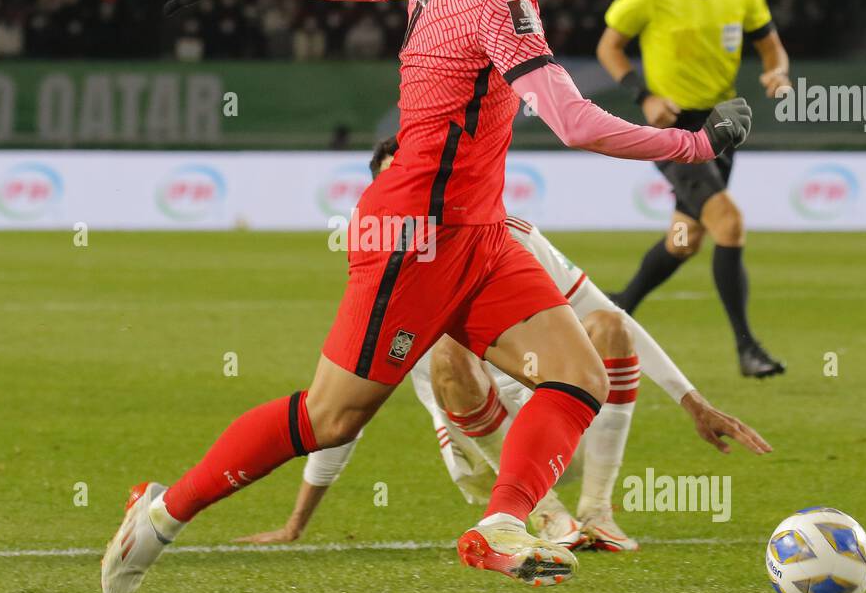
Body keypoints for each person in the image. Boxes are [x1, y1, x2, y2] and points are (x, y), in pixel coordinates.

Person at [102, 0, 754, 593]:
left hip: (477, 232)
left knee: (580, 373)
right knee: (331, 417)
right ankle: (162, 511)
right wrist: (694, 145)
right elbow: (574, 122)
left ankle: (503, 523)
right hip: (411, 233)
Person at [235, 139, 771, 551]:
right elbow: (343, 407)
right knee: (447, 348)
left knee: (608, 324)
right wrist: (296, 522)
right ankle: (543, 512)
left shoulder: (509, 233)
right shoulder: (386, 273)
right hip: (478, 446)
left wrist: (690, 399)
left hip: (559, 426)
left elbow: (610, 319)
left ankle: (598, 513)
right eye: (393, 183)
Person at [597, 0, 791, 378]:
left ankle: (618, 305)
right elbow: (609, 47)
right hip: (672, 127)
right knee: (729, 223)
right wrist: (643, 95)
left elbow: (773, 51)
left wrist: (779, 75)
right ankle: (748, 349)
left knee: (684, 240)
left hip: (724, 124)